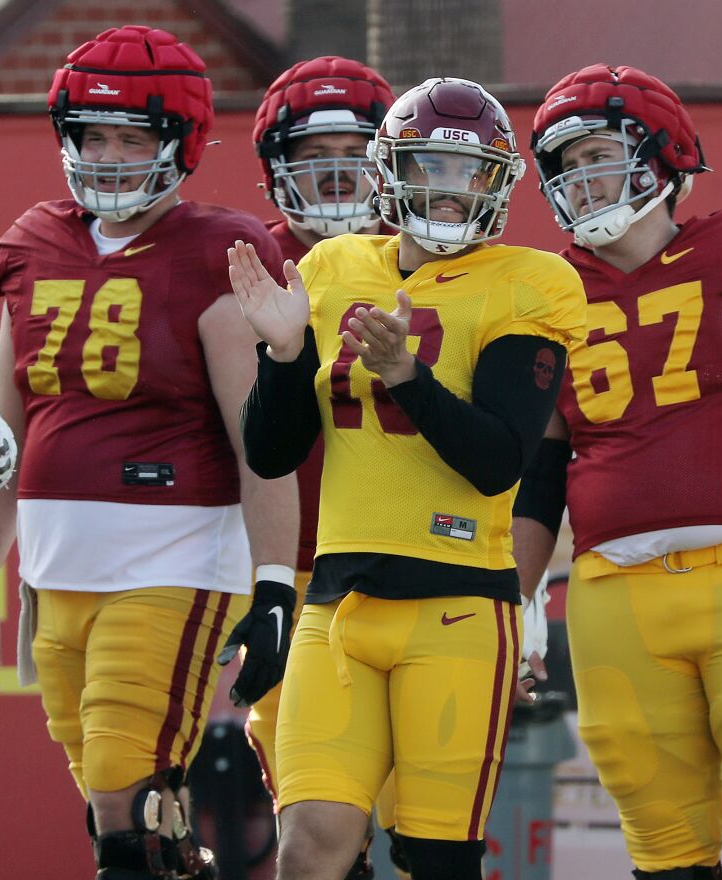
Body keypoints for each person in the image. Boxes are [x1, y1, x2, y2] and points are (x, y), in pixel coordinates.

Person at [228, 76, 586, 880]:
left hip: (456, 607)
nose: (451, 192)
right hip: (339, 603)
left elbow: (498, 461)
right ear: (390, 170)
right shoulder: (331, 266)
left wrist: (406, 376)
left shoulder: (533, 282)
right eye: (431, 166)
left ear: (499, 183)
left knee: (433, 858)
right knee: (311, 842)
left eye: (471, 172)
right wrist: (283, 356)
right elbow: (273, 453)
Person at [513, 63, 722, 880]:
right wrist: (521, 601)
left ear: (662, 156)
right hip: (611, 591)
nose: (580, 179)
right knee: (663, 846)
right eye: (565, 165)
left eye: (597, 152)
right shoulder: (544, 291)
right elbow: (539, 469)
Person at [0, 25, 298, 880]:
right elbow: (5, 444)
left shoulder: (215, 251)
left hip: (172, 557)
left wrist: (273, 579)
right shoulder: (32, 242)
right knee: (122, 809)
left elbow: (261, 443)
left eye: (134, 136)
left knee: (122, 783)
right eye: (94, 135)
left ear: (182, 143)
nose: (110, 155)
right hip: (56, 573)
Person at [248, 54, 401, 880]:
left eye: (355, 152)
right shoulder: (237, 265)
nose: (337, 175)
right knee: (313, 833)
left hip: (423, 567)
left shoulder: (439, 253)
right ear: (277, 169)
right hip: (297, 576)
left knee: (426, 829)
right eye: (314, 157)